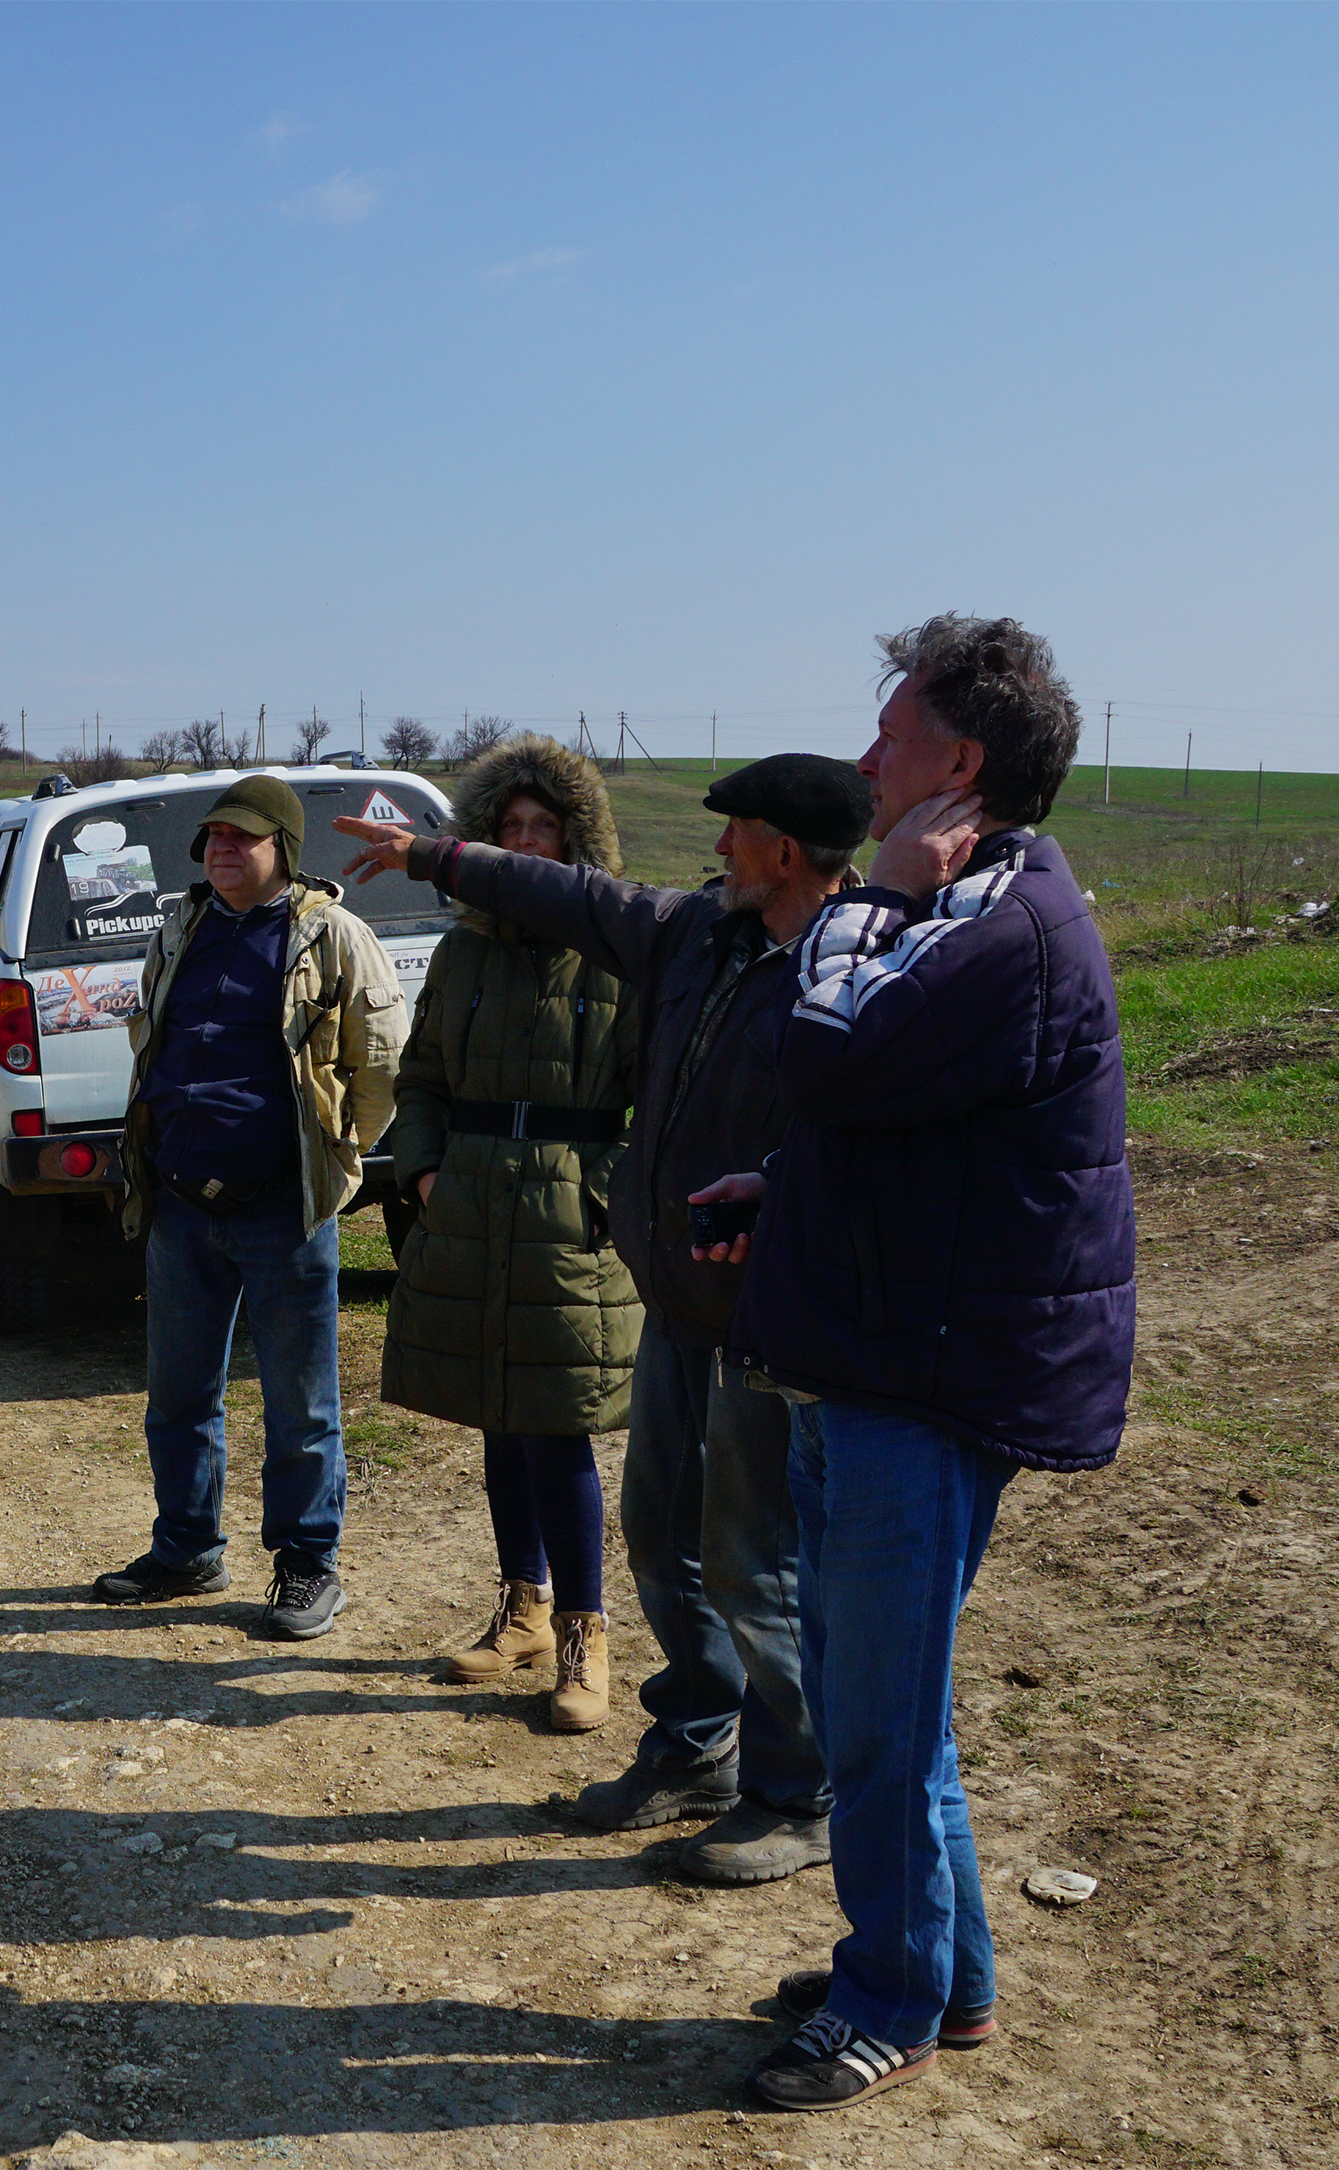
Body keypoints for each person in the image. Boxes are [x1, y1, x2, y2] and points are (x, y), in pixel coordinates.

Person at [705, 616, 1136, 2113]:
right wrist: (791, 1196)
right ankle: (942, 1974)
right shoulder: (979, 910)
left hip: (923, 1386)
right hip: (881, 1351)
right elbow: (893, 1119)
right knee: (889, 1699)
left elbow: (820, 1053)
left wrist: (868, 897)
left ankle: (883, 1996)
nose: (865, 758)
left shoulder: (992, 924)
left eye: (889, 733)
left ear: (957, 762)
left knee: (878, 1715)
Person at [335, 750, 869, 1884]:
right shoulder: (696, 932)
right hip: (678, 1289)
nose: (715, 846)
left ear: (787, 850)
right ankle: (692, 1747)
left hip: (768, 1307)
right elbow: (561, 900)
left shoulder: (848, 959)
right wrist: (431, 853)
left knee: (752, 1552)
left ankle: (795, 1789)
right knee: (664, 1535)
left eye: (738, 831)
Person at [93, 773, 408, 1641]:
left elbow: (379, 1067)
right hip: (182, 1204)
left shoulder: (331, 936)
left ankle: (307, 1566)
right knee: (178, 1395)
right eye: (214, 840)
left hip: (284, 1212)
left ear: (282, 849)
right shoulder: (181, 928)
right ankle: (187, 1547)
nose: (223, 851)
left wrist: (337, 1160)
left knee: (302, 1405)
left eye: (243, 838)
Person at [376, 736, 642, 1733]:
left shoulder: (618, 955)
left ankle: (584, 1634)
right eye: (510, 828)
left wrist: (602, 1197)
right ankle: (520, 1610)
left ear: (577, 843)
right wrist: (429, 1167)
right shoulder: (463, 951)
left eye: (545, 830)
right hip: (474, 1198)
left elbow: (653, 1098)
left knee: (554, 1420)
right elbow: (420, 1077)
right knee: (496, 1411)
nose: (525, 845)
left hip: (568, 1211)